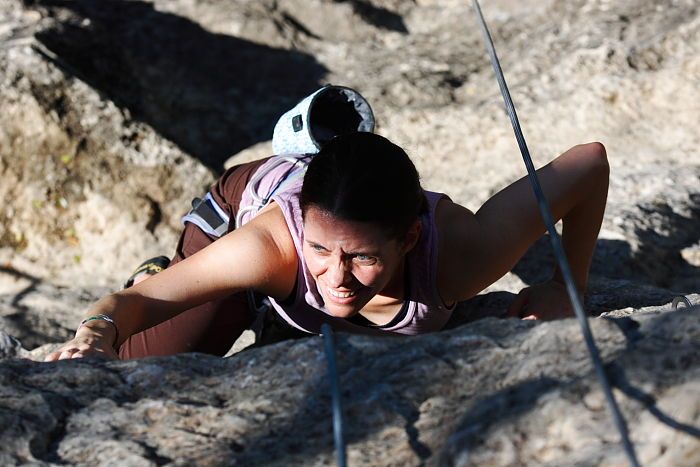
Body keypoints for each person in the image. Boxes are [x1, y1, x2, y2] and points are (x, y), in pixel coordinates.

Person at [45, 131, 609, 361]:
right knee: (158, 358)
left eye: (362, 257)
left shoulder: (460, 258)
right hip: (240, 215)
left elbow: (589, 161)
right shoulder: (272, 249)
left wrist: (569, 287)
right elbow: (129, 308)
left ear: (409, 238)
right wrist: (96, 335)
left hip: (324, 216)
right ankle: (186, 272)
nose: (334, 279)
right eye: (322, 250)